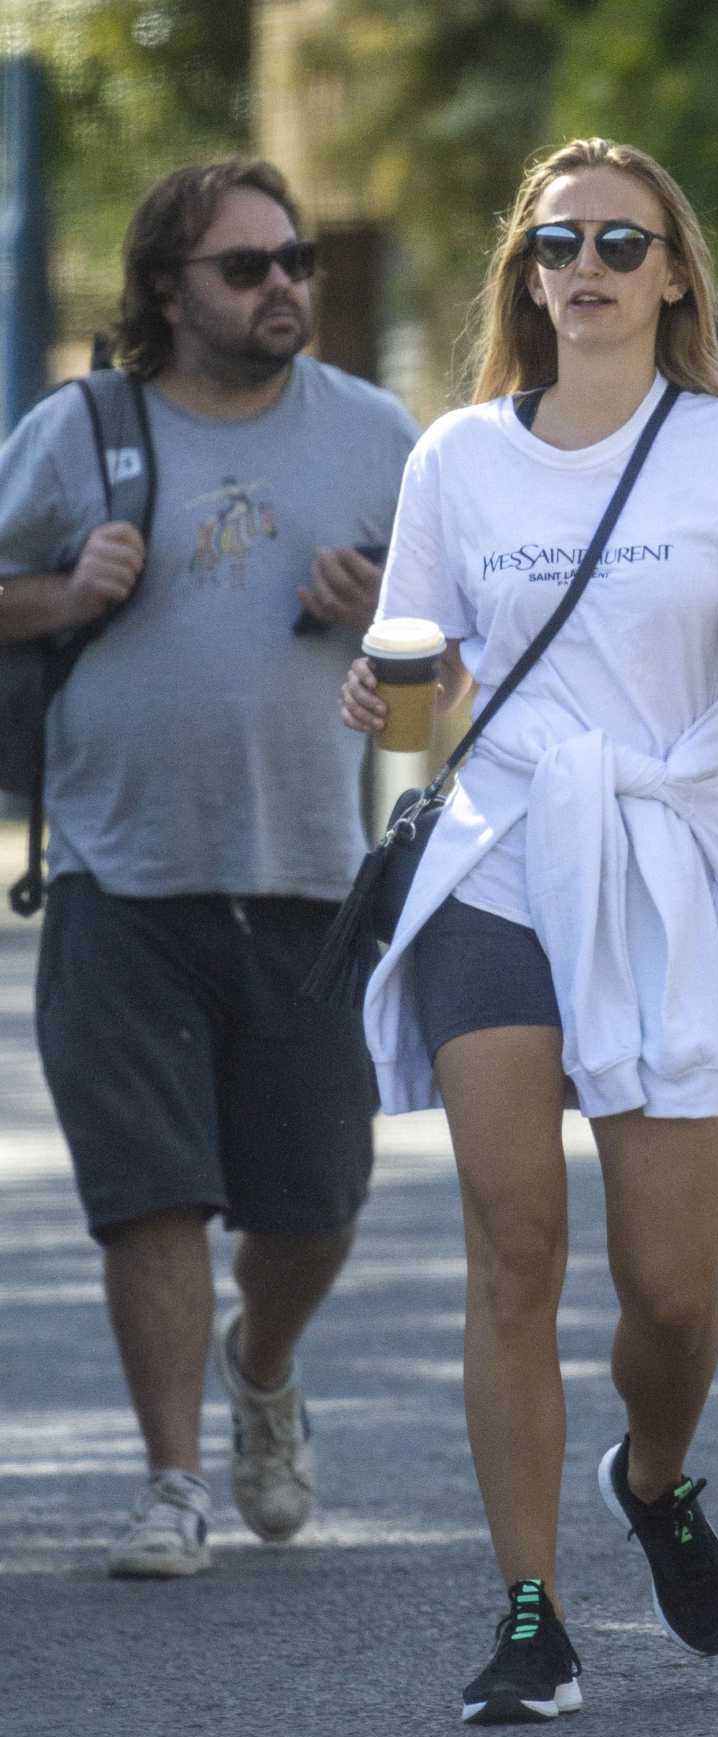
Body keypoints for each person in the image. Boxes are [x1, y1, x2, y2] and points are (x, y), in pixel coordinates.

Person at [340, 136, 718, 1725]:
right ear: (527, 273)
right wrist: (384, 700)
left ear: (674, 274)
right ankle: (531, 1616)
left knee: (669, 1295)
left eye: (621, 242)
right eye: (558, 242)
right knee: (514, 1248)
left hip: (661, 869)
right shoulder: (455, 459)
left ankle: (653, 1475)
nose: (587, 266)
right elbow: (423, 685)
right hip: (496, 864)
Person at [0, 158, 418, 1578]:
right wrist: (65, 593)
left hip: (311, 879)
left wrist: (391, 621)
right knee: (150, 1194)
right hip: (117, 877)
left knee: (315, 1206)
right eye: (245, 266)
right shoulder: (80, 430)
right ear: (166, 291)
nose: (281, 285)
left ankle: (264, 1362)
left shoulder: (376, 435)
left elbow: (449, 679)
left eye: (294, 259)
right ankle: (172, 1482)